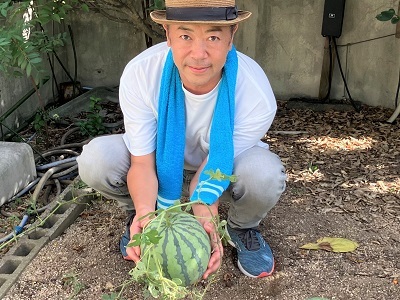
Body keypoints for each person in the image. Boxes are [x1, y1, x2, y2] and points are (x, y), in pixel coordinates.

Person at [77, 0, 286, 279]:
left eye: (213, 36)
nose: (198, 54)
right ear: (167, 33)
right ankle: (142, 217)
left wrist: (206, 220)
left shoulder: (255, 94)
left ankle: (241, 226)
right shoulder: (141, 74)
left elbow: (216, 165)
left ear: (232, 34)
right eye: (185, 35)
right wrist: (144, 213)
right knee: (97, 159)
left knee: (264, 175)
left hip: (221, 165)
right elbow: (141, 163)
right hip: (157, 162)